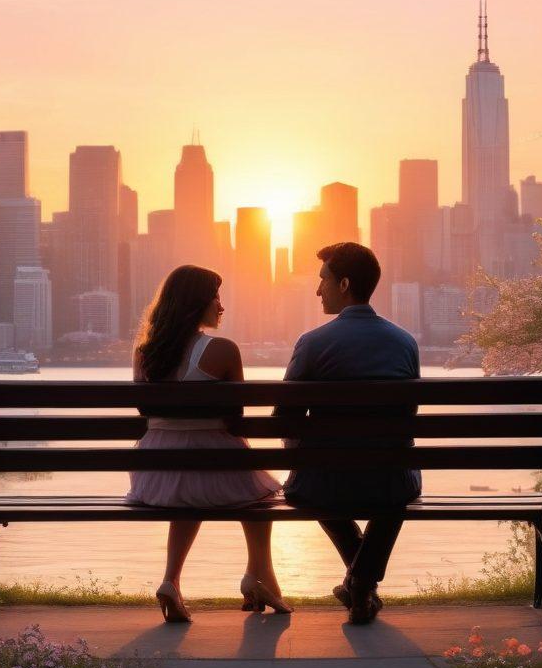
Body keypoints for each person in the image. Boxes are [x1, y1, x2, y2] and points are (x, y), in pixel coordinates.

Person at [129, 264, 290, 623]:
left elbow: (145, 411)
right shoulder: (222, 350)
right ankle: (260, 577)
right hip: (206, 465)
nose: (221, 305)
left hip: (154, 477)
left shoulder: (145, 352)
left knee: (191, 486)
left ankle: (172, 580)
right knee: (263, 493)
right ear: (196, 303)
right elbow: (235, 419)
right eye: (216, 297)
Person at [276, 242, 421, 625]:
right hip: (391, 482)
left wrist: (302, 457)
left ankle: (359, 581)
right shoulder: (405, 343)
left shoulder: (312, 343)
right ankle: (362, 582)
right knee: (396, 481)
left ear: (343, 283)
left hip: (322, 484)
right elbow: (407, 418)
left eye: (322, 280)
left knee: (311, 483)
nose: (316, 289)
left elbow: (284, 418)